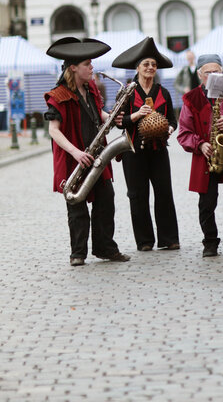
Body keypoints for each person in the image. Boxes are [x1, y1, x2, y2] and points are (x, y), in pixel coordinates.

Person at [44, 38, 131, 267]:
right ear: (73, 68)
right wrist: (75, 153)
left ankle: (105, 248)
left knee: (106, 200)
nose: (92, 68)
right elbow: (53, 131)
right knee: (77, 206)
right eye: (88, 64)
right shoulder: (58, 95)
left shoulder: (91, 88)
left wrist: (110, 117)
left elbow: (98, 112)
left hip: (96, 152)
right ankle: (78, 253)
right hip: (74, 157)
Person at [177, 54, 223, 257]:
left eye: (216, 71)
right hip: (207, 157)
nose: (213, 75)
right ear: (200, 75)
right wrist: (200, 145)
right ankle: (210, 242)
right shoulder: (192, 98)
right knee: (207, 204)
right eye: (208, 72)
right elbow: (183, 132)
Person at [114, 37, 180, 251]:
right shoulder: (127, 93)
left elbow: (172, 119)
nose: (150, 67)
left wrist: (170, 128)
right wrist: (135, 116)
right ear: (138, 68)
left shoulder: (164, 92)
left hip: (159, 150)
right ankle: (144, 241)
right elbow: (117, 122)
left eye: (153, 64)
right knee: (137, 196)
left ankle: (169, 239)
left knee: (164, 193)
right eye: (146, 64)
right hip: (133, 152)